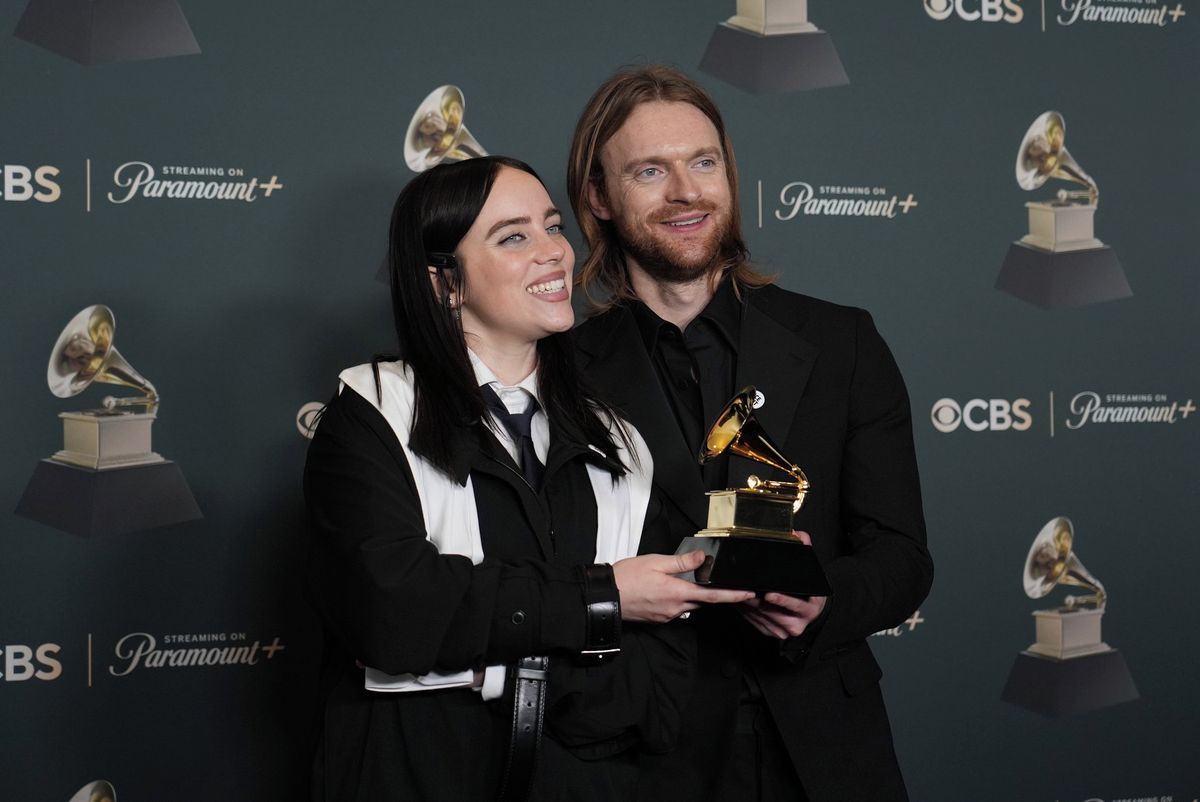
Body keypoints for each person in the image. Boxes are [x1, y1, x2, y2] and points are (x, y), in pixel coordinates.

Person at [304, 155, 753, 802]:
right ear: (444, 283)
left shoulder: (618, 438)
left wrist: (494, 665)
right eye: (514, 237)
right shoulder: (372, 413)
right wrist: (601, 601)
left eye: (552, 227)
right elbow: (393, 612)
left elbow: (659, 677)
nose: (554, 252)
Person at [567, 66, 934, 801]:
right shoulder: (560, 373)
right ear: (600, 198)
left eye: (703, 163)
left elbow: (901, 558)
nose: (687, 192)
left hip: (828, 749)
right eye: (650, 171)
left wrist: (824, 600)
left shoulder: (841, 342)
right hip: (644, 756)